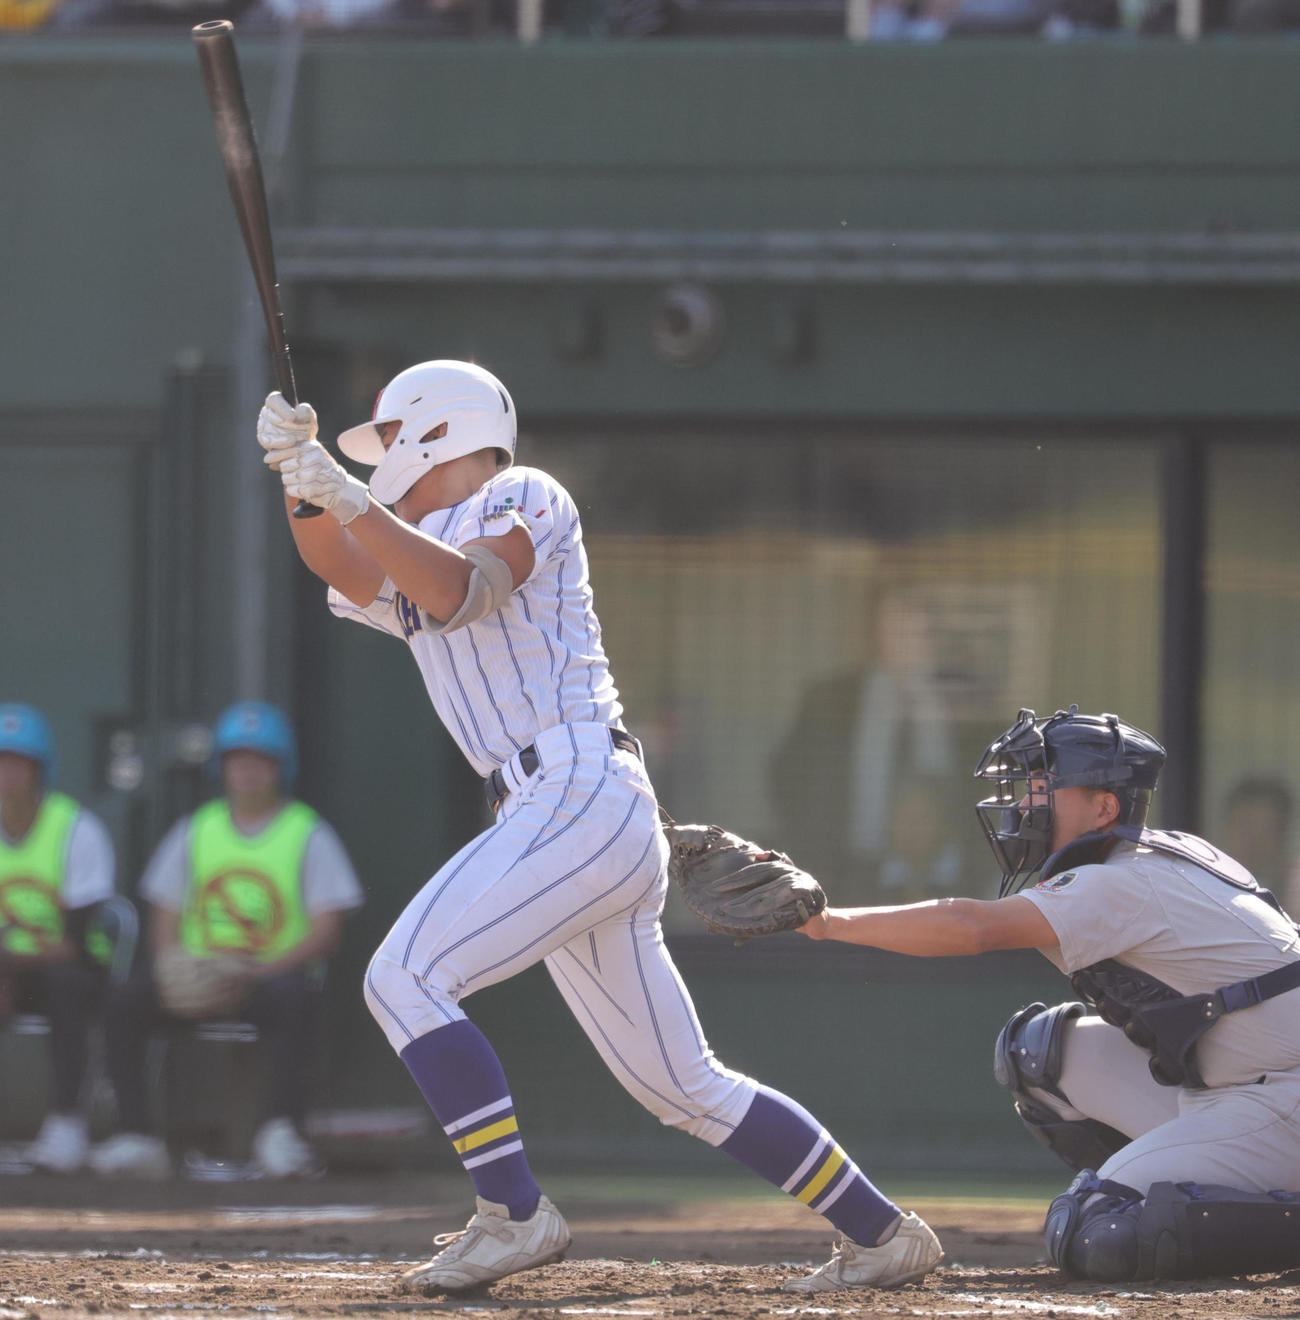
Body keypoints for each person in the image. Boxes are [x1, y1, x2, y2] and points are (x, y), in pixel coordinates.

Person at [253, 359, 944, 1294]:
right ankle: (882, 1233)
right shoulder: (406, 540)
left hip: (576, 791)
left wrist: (347, 498)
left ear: (436, 432)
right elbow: (341, 562)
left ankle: (512, 1214)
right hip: (561, 813)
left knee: (405, 976)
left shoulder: (522, 493)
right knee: (683, 1086)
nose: (379, 465)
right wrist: (300, 482)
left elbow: (465, 591)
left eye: (386, 444)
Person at [798, 704, 1300, 1282]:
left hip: (1279, 1099)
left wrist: (827, 923)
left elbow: (971, 927)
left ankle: (1165, 1195)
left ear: (1104, 809)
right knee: (1038, 1054)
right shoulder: (1158, 852)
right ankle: (1173, 1177)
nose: (1023, 805)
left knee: (1097, 1229)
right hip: (1231, 1082)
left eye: (1044, 789)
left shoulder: (1118, 881)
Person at [91, 701, 364, 1180]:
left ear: (280, 767)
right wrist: (179, 969)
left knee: (296, 1001)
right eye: (238, 760)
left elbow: (326, 932)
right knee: (125, 1001)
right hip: (199, 976)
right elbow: (165, 917)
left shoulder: (308, 832)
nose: (248, 771)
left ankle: (280, 1135)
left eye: (261, 760)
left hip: (268, 978)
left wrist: (256, 971)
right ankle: (136, 1136)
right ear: (222, 767)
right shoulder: (196, 829)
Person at [0, 702, 118, 1173]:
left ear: (39, 770)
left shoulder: (76, 829)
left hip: (70, 970)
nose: (7, 775)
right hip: (10, 968)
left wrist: (7, 969)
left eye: (18, 764)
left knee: (65, 984)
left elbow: (74, 944)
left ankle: (67, 1123)